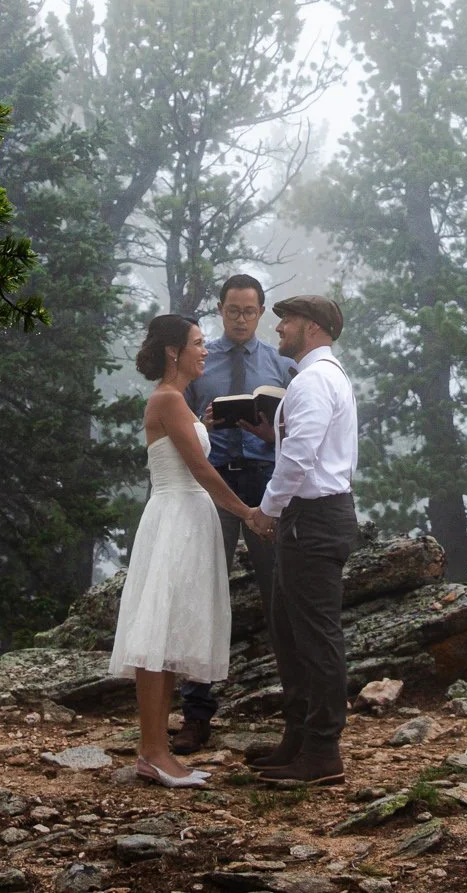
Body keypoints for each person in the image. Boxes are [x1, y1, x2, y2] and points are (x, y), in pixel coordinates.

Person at [107, 313, 268, 788]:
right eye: (198, 343)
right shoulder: (168, 399)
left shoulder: (177, 402)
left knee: (169, 636)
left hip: (183, 518)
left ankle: (154, 750)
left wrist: (206, 422)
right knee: (157, 637)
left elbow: (183, 449)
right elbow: (200, 470)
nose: (206, 351)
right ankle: (155, 752)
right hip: (177, 518)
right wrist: (246, 512)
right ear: (174, 351)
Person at [170, 274, 296, 754]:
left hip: (267, 482)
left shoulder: (282, 365)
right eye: (232, 310)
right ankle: (196, 715)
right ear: (220, 310)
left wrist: (272, 434)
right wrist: (199, 426)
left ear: (261, 313)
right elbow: (173, 420)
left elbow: (301, 431)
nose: (241, 319)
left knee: (280, 595)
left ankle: (296, 715)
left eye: (249, 311)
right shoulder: (200, 361)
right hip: (214, 483)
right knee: (203, 595)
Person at [242, 294, 359, 787]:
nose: (280, 328)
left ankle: (322, 750)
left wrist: (266, 510)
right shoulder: (319, 378)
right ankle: (300, 736)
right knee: (293, 633)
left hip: (311, 517)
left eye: (286, 321)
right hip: (312, 516)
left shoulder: (313, 380)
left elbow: (300, 459)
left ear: (311, 327)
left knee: (315, 636)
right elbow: (303, 447)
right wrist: (274, 434)